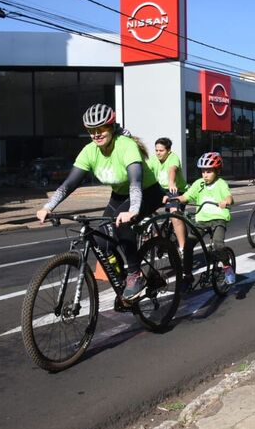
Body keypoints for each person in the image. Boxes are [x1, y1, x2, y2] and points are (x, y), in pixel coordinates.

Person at [36, 103, 165, 301]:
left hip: (147, 192)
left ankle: (135, 274)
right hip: (119, 196)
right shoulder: (90, 152)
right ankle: (122, 282)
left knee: (122, 226)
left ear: (112, 127)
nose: (96, 134)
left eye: (101, 128)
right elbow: (70, 183)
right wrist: (48, 206)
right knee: (100, 240)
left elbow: (136, 182)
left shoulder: (126, 146)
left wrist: (132, 211)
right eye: (91, 130)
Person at [174, 152, 235, 287]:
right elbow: (186, 196)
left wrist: (226, 201)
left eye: (209, 171)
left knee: (218, 245)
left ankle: (227, 267)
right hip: (201, 221)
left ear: (217, 171)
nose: (205, 174)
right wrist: (174, 199)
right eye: (203, 171)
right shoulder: (198, 183)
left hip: (218, 219)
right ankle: (188, 275)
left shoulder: (221, 183)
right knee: (188, 245)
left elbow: (229, 197)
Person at [148, 137, 188, 255]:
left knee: (175, 215)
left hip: (176, 189)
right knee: (144, 210)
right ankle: (156, 237)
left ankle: (182, 248)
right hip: (160, 190)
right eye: (156, 150)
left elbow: (172, 170)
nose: (158, 153)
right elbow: (145, 172)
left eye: (161, 150)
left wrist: (171, 182)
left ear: (168, 150)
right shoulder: (153, 159)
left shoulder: (173, 157)